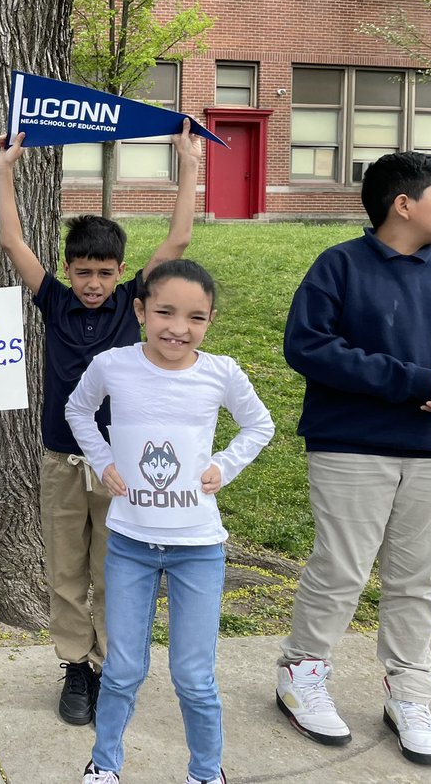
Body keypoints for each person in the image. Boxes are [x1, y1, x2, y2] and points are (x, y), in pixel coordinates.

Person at [0, 120, 201, 725]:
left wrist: (187, 162)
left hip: (122, 465)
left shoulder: (133, 303)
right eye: (83, 271)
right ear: (68, 269)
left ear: (121, 274)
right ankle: (75, 667)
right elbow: (12, 243)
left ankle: (112, 666)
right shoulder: (53, 299)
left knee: (115, 569)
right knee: (65, 570)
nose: (92, 284)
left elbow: (180, 240)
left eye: (104, 273)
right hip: (61, 456)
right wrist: (5, 170)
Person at [65, 258, 273, 784]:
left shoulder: (221, 372)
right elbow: (77, 411)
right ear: (139, 310)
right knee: (123, 669)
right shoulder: (113, 365)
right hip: (131, 544)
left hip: (198, 549)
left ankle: (206, 772)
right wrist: (104, 460)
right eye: (164, 312)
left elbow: (259, 425)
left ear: (211, 320)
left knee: (194, 676)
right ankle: (104, 763)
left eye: (195, 318)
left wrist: (223, 467)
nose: (178, 328)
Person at [275, 150, 431, 767]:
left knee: (416, 581)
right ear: (404, 204)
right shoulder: (339, 265)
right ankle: (301, 672)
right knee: (341, 569)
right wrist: (413, 382)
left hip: (430, 451)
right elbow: (308, 346)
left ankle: (410, 693)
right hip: (350, 444)